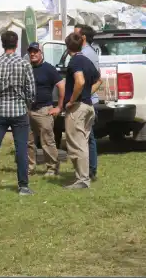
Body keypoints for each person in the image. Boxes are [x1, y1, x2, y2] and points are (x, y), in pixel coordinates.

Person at [0, 30, 35, 196]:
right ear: (17, 44)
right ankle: (23, 186)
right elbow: (31, 91)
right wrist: (26, 105)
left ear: (3, 44)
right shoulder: (24, 64)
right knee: (21, 149)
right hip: (19, 111)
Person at [62, 32, 99, 190]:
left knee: (77, 144)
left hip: (78, 108)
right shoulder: (87, 61)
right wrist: (87, 94)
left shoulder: (75, 61)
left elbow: (80, 81)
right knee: (83, 142)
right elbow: (99, 80)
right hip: (89, 106)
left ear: (67, 46)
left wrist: (72, 100)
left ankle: (82, 179)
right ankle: (83, 176)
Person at [25, 42, 64, 177]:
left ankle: (52, 168)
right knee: (27, 141)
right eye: (31, 51)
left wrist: (59, 107)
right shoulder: (27, 68)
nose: (33, 54)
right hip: (27, 109)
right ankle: (30, 168)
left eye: (35, 51)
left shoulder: (49, 69)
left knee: (47, 141)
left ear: (41, 53)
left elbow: (61, 86)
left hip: (44, 110)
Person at [75, 25, 101, 181]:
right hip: (88, 99)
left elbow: (94, 79)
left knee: (88, 137)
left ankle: (90, 170)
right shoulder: (87, 52)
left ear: (83, 37)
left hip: (87, 100)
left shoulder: (86, 54)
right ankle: (88, 169)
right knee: (87, 136)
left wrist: (83, 95)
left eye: (75, 34)